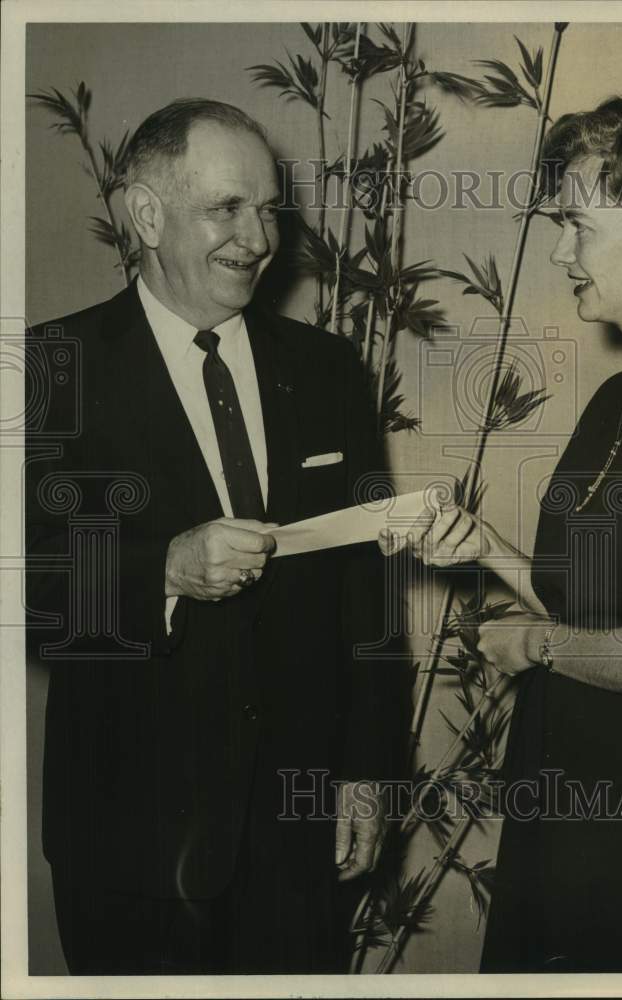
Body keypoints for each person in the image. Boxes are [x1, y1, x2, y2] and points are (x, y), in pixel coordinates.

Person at [381, 93, 622, 972]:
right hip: (569, 805)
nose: (561, 250)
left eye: (578, 226)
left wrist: (537, 645)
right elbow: (597, 601)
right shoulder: (621, 393)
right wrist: (491, 550)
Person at [25, 98, 405, 975]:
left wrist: (367, 774)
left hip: (296, 838)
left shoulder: (328, 370)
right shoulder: (54, 370)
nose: (258, 237)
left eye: (266, 208)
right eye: (225, 208)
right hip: (130, 846)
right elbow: (32, 592)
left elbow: (370, 591)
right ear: (146, 214)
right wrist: (163, 569)